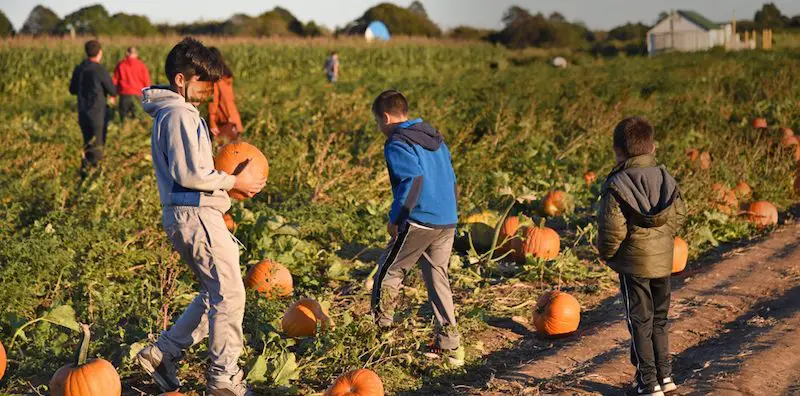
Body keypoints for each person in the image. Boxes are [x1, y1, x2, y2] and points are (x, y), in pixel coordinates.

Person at [135, 37, 265, 396]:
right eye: (202, 81)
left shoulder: (175, 112)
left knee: (215, 291)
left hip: (192, 213)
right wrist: (233, 181)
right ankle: (224, 378)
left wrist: (221, 193)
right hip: (194, 212)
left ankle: (162, 353)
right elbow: (190, 174)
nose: (208, 90)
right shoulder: (179, 113)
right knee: (230, 294)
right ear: (181, 79)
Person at [369, 90, 464, 367]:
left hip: (420, 219)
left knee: (389, 271)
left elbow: (412, 180)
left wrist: (397, 218)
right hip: (447, 218)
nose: (379, 129)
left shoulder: (397, 142)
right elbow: (452, 178)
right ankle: (450, 345)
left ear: (386, 117)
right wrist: (450, 211)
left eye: (378, 123)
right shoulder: (435, 138)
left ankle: (379, 339)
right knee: (437, 277)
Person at [597, 116, 687, 396]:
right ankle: (666, 376)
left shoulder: (616, 184)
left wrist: (609, 255)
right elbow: (681, 214)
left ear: (618, 151)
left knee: (639, 321)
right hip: (662, 261)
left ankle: (647, 383)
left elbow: (611, 229)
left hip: (633, 266)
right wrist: (662, 239)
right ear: (653, 147)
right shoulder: (665, 177)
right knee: (659, 319)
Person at [69, 39, 116, 176]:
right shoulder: (99, 70)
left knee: (87, 143)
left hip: (82, 112)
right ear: (100, 53)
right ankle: (94, 176)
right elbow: (112, 90)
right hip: (97, 113)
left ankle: (84, 172)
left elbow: (72, 89)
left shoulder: (79, 69)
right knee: (97, 146)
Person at [207, 47, 243, 140]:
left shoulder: (215, 79)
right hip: (235, 120)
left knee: (222, 153)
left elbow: (213, 102)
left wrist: (212, 123)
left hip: (224, 123)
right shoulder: (226, 77)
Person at [112, 46, 152, 122]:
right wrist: (148, 97)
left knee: (123, 119)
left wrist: (113, 96)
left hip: (124, 95)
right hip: (138, 95)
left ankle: (123, 131)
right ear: (136, 54)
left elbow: (115, 82)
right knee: (137, 119)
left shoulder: (121, 65)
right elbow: (146, 82)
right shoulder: (141, 65)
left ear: (127, 54)